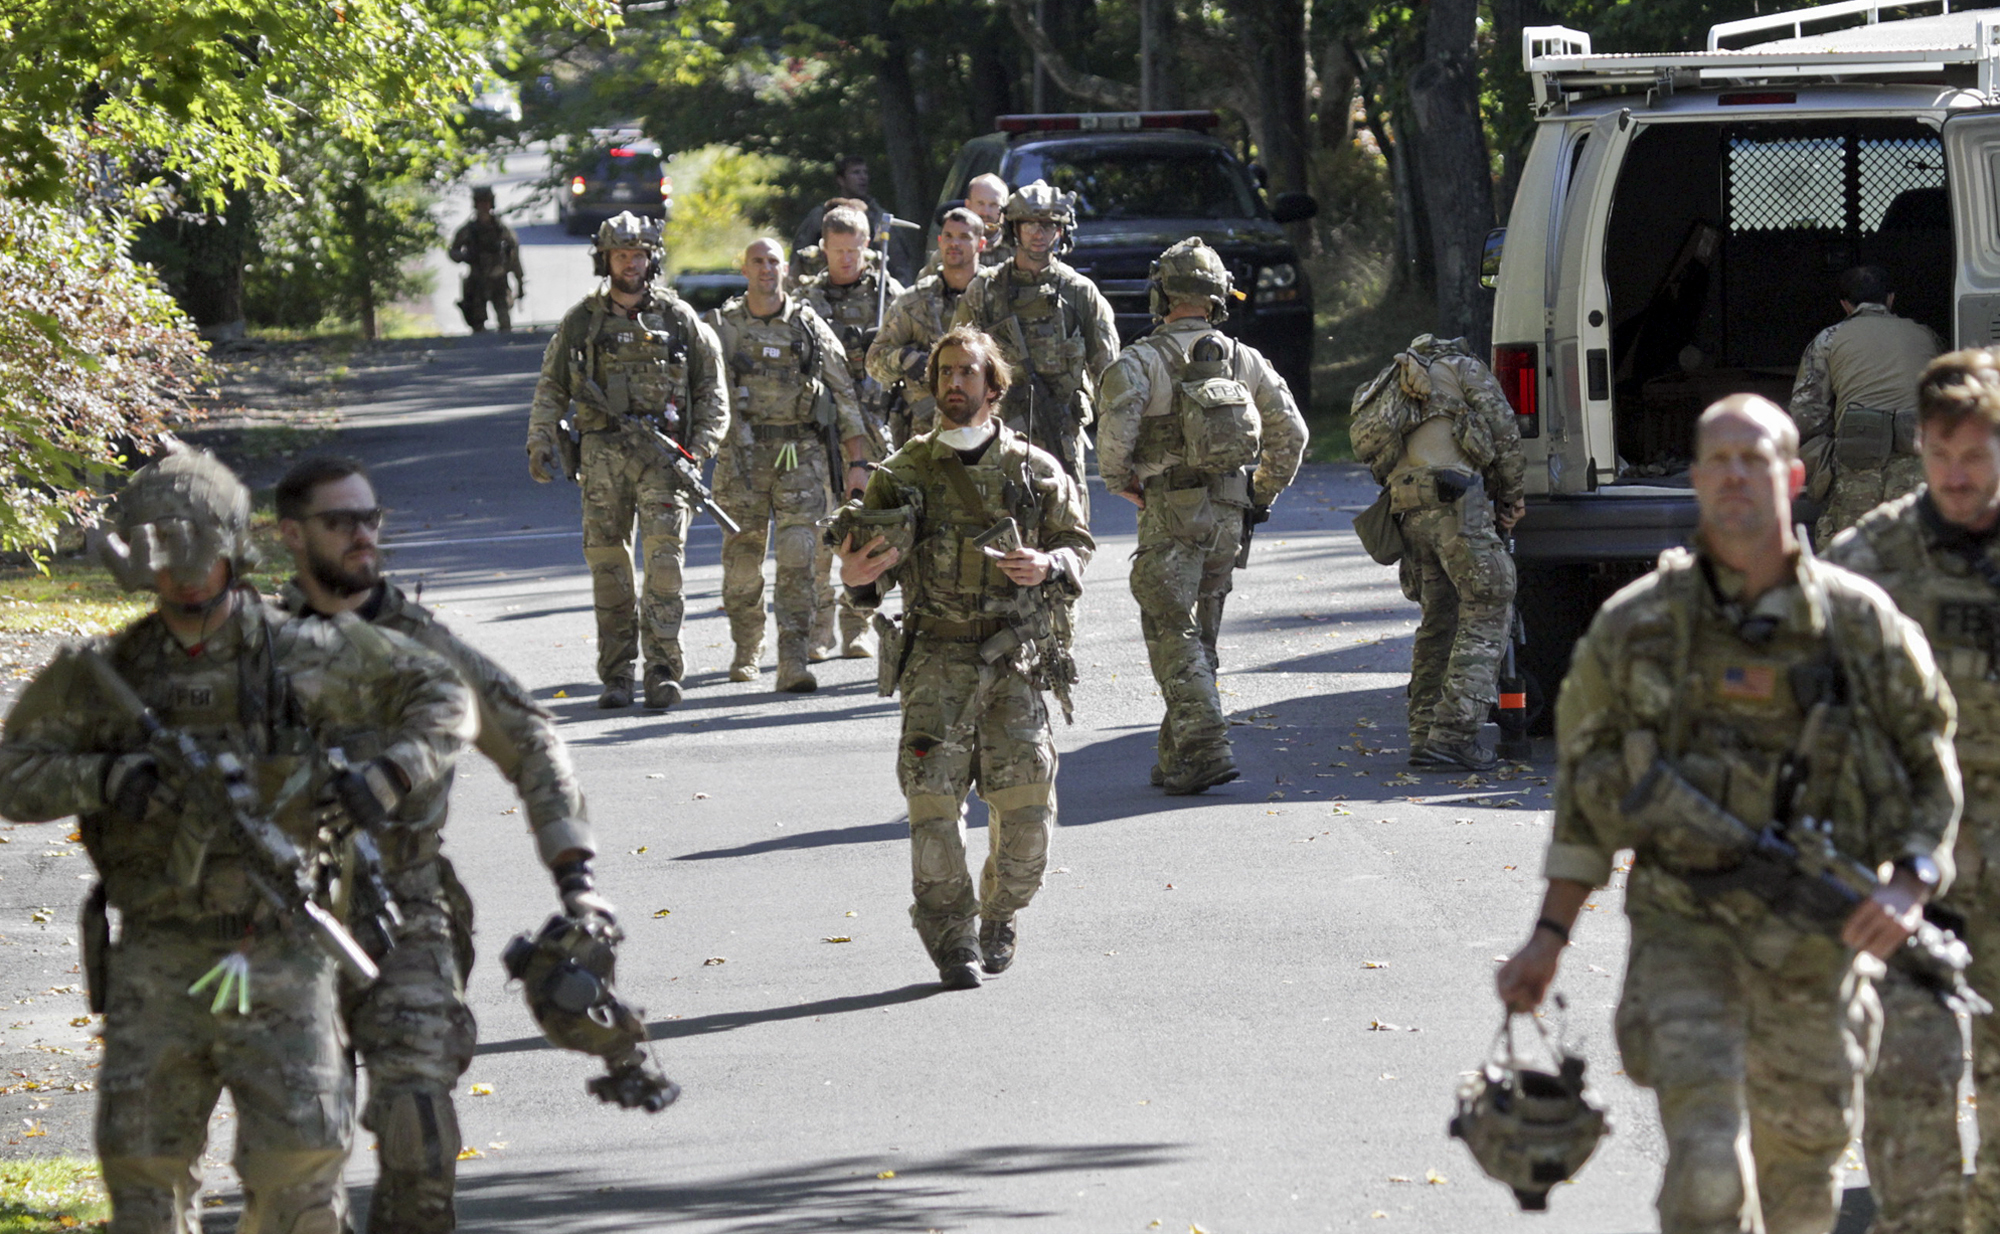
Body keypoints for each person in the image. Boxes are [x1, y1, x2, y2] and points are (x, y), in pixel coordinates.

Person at [1497, 394, 1961, 1234]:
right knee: (1708, 1172)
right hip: (1687, 932)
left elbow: (1930, 769)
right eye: (1719, 460)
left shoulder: (1859, 626)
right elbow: (1590, 799)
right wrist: (1548, 937)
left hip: (1821, 947)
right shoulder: (1637, 628)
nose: (1737, 476)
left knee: (1801, 1185)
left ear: (1793, 476)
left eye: (1755, 460)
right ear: (1697, 479)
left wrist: (1911, 880)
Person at [0, 448, 473, 1234]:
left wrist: (386, 776)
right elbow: (12, 775)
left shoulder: (304, 653)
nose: (188, 581)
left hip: (280, 951)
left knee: (297, 1189)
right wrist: (110, 779)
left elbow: (442, 700)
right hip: (157, 954)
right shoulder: (104, 675)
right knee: (144, 1185)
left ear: (233, 552)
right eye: (169, 563)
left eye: (203, 559)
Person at [273, 455, 611, 1233]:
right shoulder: (254, 650)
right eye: (340, 522)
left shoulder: (426, 647)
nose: (362, 536)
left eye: (371, 519)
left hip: (406, 908)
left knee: (419, 1130)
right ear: (292, 535)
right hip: (279, 919)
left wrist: (576, 874)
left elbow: (531, 742)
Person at [835, 325, 1093, 989]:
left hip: (1014, 664)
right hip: (935, 667)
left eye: (967, 373)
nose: (953, 383)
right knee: (932, 815)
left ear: (993, 386)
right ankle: (952, 939)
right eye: (944, 372)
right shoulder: (901, 477)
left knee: (1030, 818)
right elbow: (868, 581)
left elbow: (1078, 545)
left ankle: (1000, 913)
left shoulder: (1034, 471)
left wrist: (1048, 562)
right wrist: (856, 574)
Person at [1824, 350, 2000, 1234]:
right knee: (1912, 1117)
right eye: (1940, 452)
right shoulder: (1869, 558)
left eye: (1976, 452)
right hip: (1913, 883)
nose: (1957, 473)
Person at [1094, 238, 1308, 794]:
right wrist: (1261, 493)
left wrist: (1123, 482)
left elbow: (1116, 432)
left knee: (1169, 628)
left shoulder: (1140, 360)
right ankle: (1180, 759)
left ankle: (1207, 740)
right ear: (1218, 297)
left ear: (1161, 293)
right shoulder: (1245, 358)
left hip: (1171, 508)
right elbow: (1293, 433)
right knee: (1199, 637)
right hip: (1229, 513)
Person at [525, 211, 728, 710]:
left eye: (638, 254)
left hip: (665, 460)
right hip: (602, 460)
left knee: (665, 569)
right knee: (609, 569)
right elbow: (552, 384)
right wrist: (540, 439)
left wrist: (700, 448)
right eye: (621, 254)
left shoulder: (680, 319)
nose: (630, 263)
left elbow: (712, 391)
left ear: (650, 258)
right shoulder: (582, 321)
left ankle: (662, 671)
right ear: (606, 259)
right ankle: (616, 675)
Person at [706, 237, 869, 692]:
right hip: (741, 459)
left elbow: (843, 395)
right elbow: (699, 393)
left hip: (799, 456)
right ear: (744, 270)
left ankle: (793, 660)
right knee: (742, 564)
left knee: (798, 560)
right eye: (756, 261)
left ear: (785, 269)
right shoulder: (722, 328)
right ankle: (746, 647)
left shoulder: (808, 326)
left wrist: (858, 462)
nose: (766, 269)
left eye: (773, 261)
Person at [1370, 335, 1527, 772]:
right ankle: (1455, 734)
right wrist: (1512, 497)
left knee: (1439, 618)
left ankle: (1424, 735)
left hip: (1407, 507)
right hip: (1456, 501)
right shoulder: (1463, 368)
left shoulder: (1398, 377)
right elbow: (1504, 430)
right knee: (1490, 600)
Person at [952, 181, 1119, 494]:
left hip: (1061, 434)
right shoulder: (985, 290)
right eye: (1030, 224)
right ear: (1015, 229)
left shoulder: (1080, 293)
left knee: (1068, 530)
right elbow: (953, 366)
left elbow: (1109, 374)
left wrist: (1119, 446)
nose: (1038, 234)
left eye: (1048, 225)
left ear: (1060, 231)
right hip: (996, 436)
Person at [800, 203, 904, 660]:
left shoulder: (892, 295)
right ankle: (819, 629)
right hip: (824, 429)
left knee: (866, 525)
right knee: (822, 526)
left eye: (855, 248)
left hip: (877, 425)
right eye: (837, 249)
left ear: (868, 244)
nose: (846, 258)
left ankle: (857, 623)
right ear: (824, 248)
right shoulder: (807, 303)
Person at [1788, 264, 1939, 540]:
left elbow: (1805, 414)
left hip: (1856, 468)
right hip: (1918, 468)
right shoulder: (1926, 336)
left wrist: (1826, 457)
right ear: (1891, 299)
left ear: (1845, 305)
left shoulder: (1828, 340)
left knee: (1850, 556)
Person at [868, 207, 986, 447]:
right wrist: (905, 358)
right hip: (926, 437)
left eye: (964, 237)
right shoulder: (914, 301)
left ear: (981, 244)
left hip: (985, 430)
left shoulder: (995, 296)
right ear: (940, 242)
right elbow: (874, 362)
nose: (954, 243)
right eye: (949, 236)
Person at [792, 156, 914, 283]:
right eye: (856, 172)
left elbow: (899, 261)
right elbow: (799, 256)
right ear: (841, 180)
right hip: (824, 289)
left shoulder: (879, 217)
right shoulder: (821, 215)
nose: (863, 177)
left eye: (865, 172)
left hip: (868, 289)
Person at [447, 186, 524, 334]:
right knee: (477, 325)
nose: (484, 206)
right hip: (477, 281)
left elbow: (514, 256)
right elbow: (453, 251)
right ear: (475, 205)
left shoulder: (501, 230)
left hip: (499, 280)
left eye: (486, 202)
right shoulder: (469, 230)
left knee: (505, 323)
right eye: (481, 203)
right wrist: (465, 257)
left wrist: (519, 282)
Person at [964, 173, 1012, 267]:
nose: (986, 212)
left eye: (994, 205)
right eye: (980, 203)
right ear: (968, 206)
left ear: (1005, 209)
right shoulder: (953, 247)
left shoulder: (1019, 251)